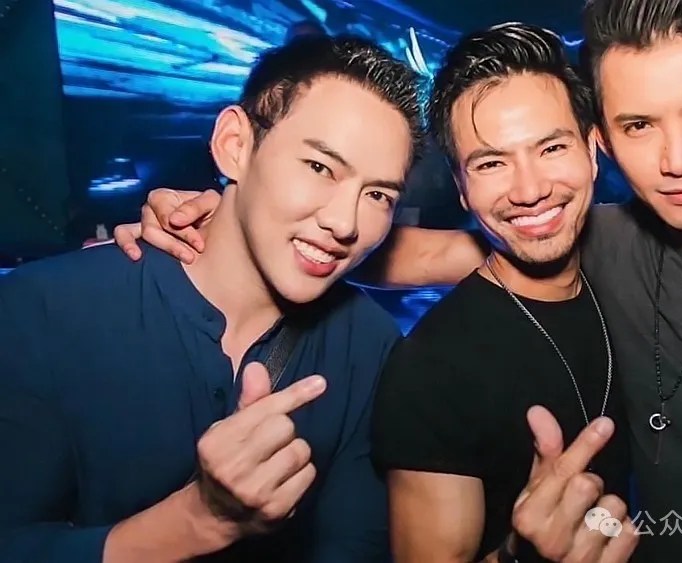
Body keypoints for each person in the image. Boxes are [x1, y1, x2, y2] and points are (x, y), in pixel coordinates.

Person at [112, 0, 682, 561]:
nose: (679, 158)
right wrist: (225, 212)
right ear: (605, 141)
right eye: (640, 124)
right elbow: (389, 246)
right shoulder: (592, 243)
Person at [0, 35, 423, 562]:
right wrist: (199, 520)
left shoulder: (370, 346)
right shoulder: (44, 309)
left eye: (378, 195)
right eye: (319, 167)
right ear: (235, 145)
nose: (344, 222)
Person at [369, 23, 635, 563]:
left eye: (551, 147)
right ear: (461, 187)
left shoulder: (629, 269)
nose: (530, 190)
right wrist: (521, 553)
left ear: (592, 150)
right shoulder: (433, 367)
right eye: (491, 163)